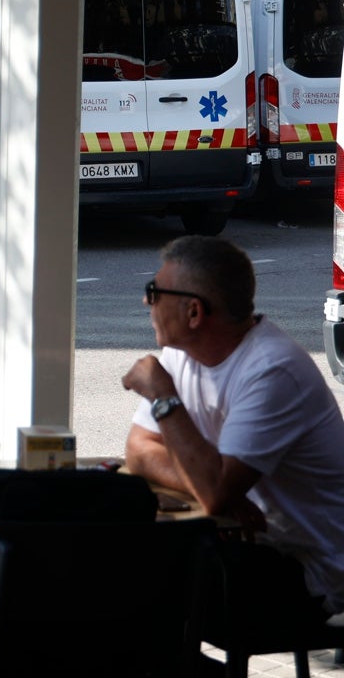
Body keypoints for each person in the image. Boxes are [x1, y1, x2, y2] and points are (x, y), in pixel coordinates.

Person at [122, 234, 344, 639]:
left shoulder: (272, 370)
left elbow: (213, 494)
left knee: (129, 588)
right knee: (113, 568)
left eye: (154, 293)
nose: (146, 302)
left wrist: (163, 395)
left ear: (193, 312)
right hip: (243, 544)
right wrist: (214, 487)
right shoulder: (180, 351)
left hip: (309, 575)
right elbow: (138, 451)